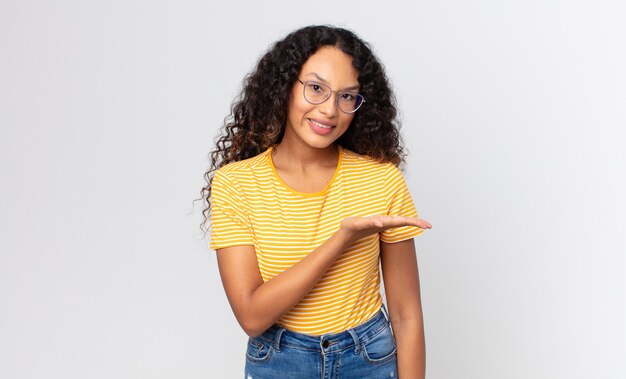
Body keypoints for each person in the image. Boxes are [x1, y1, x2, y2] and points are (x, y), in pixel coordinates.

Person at [200, 25, 432, 378]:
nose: (329, 110)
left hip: (367, 359)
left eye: (347, 97)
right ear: (286, 87)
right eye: (316, 88)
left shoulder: (381, 179)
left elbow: (406, 313)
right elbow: (251, 316)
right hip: (281, 362)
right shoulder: (237, 184)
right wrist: (342, 238)